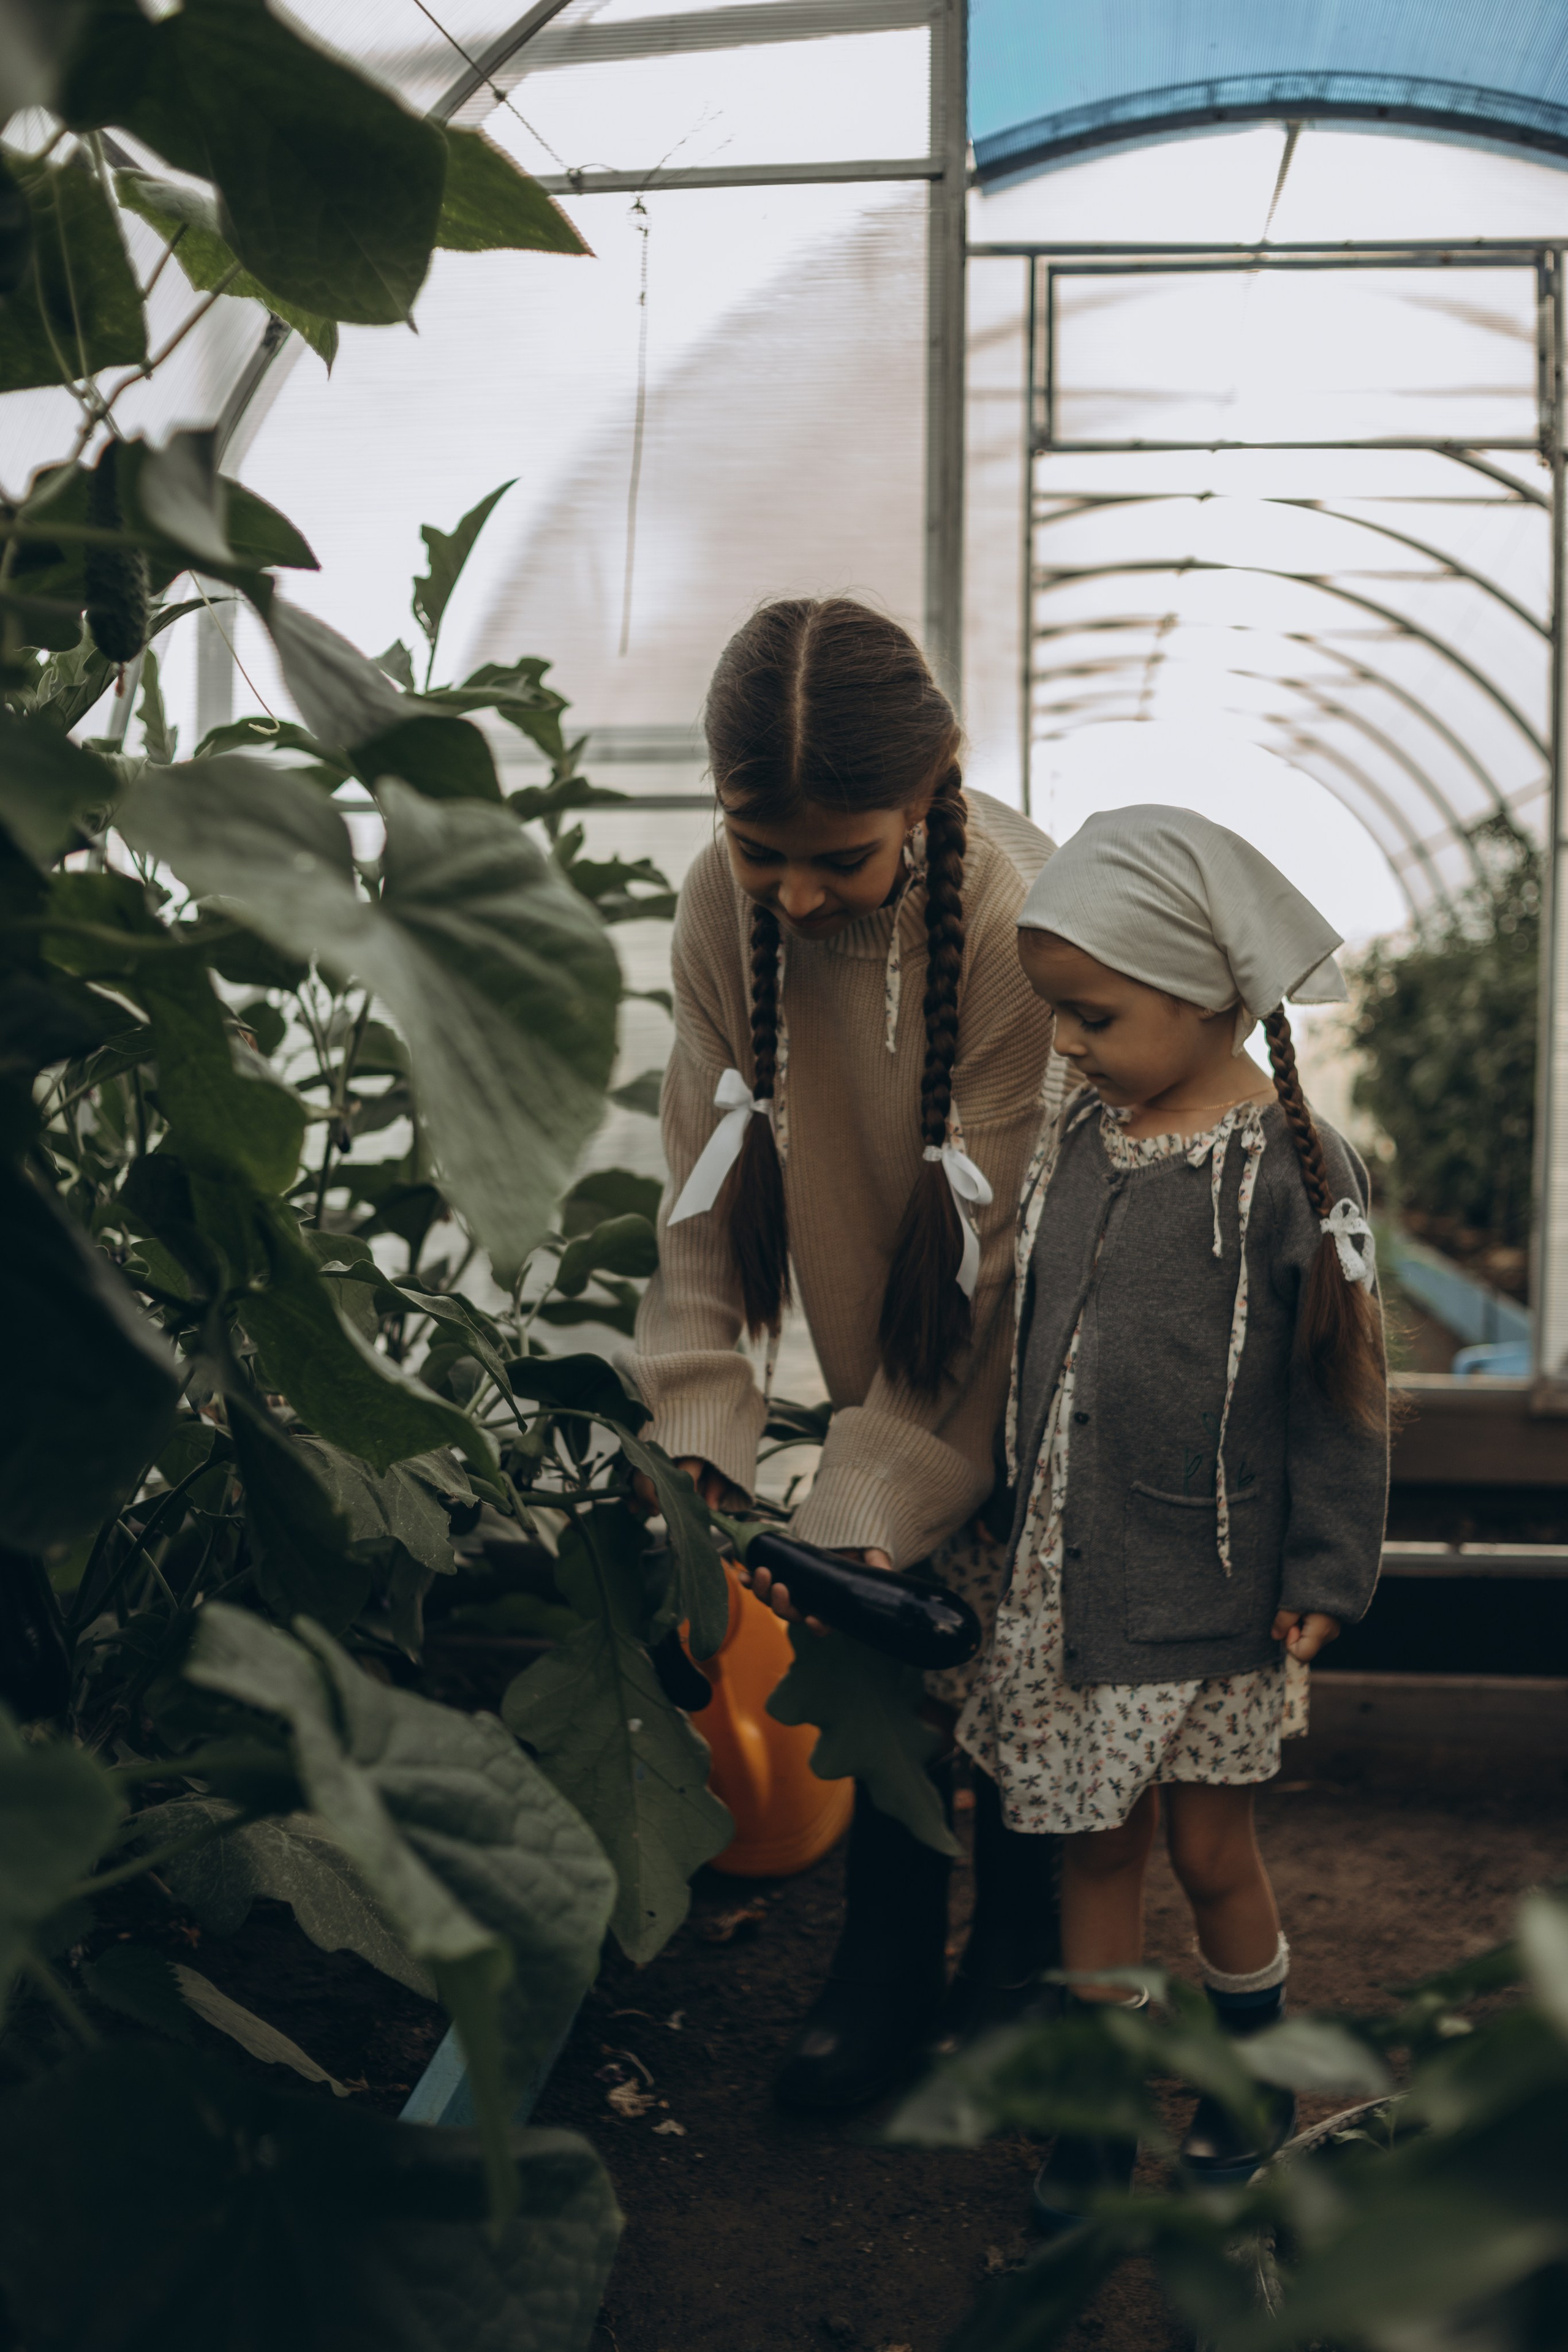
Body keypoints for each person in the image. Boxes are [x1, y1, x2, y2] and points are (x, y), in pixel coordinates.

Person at [632, 597, 1066, 2108]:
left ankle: (1015, 1967)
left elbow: (996, 1265)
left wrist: (855, 1516)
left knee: (1023, 1644)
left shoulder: (1017, 926)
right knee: (883, 1645)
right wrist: (694, 1446)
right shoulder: (718, 903)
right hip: (899, 1321)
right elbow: (697, 1197)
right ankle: (881, 1958)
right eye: (763, 851)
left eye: (841, 857)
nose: (794, 894)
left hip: (1045, 1327)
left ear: (934, 784)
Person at [955, 804, 1389, 2228]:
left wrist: (1329, 1562)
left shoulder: (1294, 1169)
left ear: (1205, 992)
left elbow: (1335, 1388)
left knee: (1208, 1854)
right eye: (1057, 1016)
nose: (1066, 1044)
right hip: (1077, 1582)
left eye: (1091, 1014)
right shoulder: (1083, 1134)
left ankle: (1247, 2079)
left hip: (1211, 1586)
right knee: (1093, 1845)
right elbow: (1041, 1344)